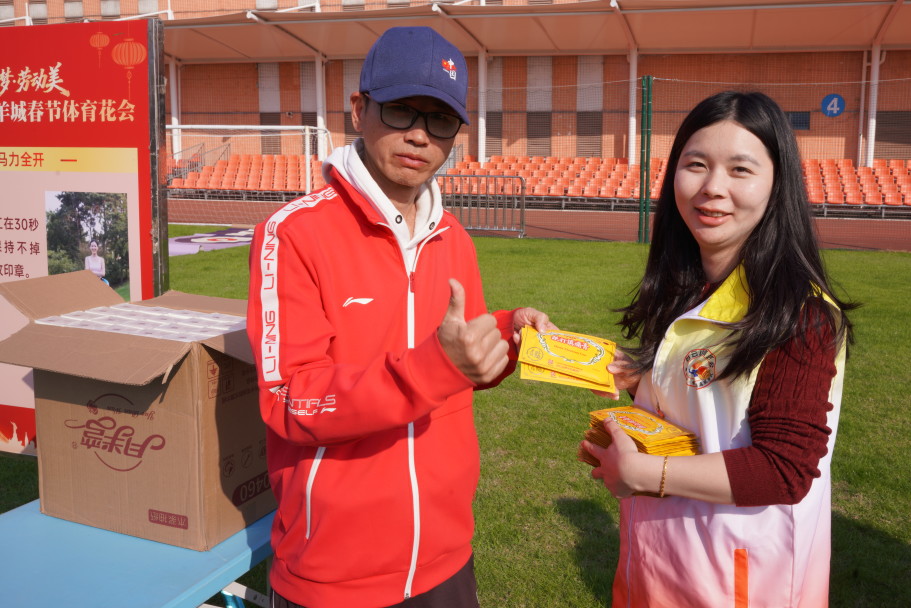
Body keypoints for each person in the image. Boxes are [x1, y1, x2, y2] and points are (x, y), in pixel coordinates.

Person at [246, 27, 553, 608]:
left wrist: (508, 334)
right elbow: (291, 399)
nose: (419, 134)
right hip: (333, 572)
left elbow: (461, 355)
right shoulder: (294, 234)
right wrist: (435, 366)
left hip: (446, 557)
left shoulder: (454, 238)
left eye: (440, 120)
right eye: (401, 110)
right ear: (358, 110)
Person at [579, 91, 857, 607]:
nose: (712, 187)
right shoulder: (685, 288)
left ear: (777, 184)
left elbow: (784, 468)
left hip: (742, 580)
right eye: (696, 165)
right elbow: (709, 400)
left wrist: (643, 474)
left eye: (740, 169)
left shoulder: (800, 315)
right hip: (663, 561)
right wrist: (639, 378)